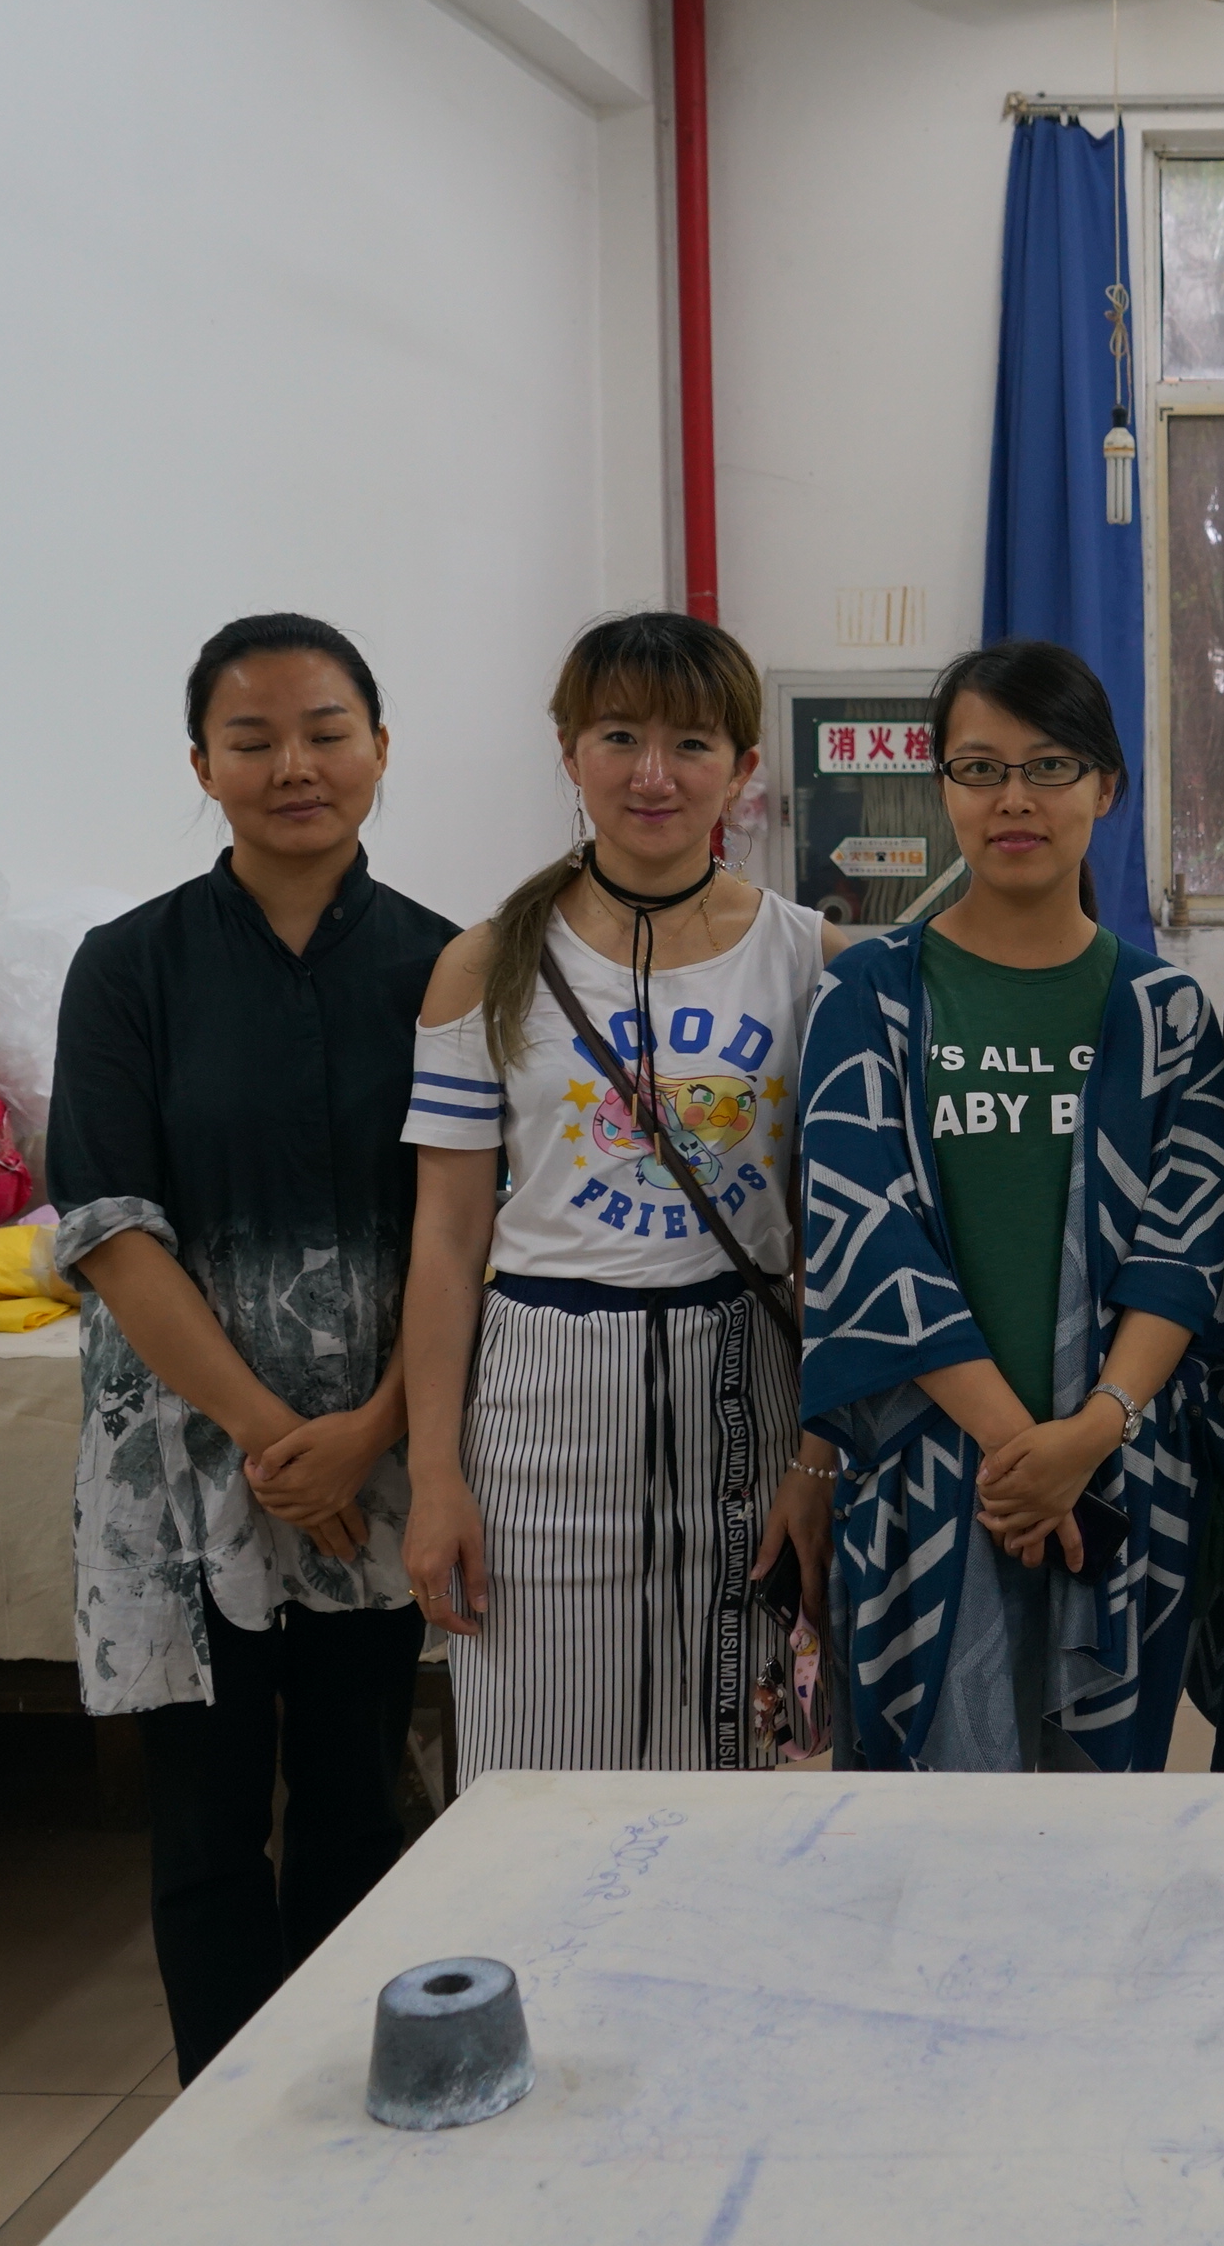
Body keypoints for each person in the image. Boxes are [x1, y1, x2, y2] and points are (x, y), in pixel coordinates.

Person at [52, 613, 451, 2083]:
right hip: (190, 1466)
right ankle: (225, 2128)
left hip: (378, 1463)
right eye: (253, 739)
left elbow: (466, 1234)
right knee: (208, 1827)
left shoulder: (447, 966)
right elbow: (110, 1232)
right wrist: (280, 1440)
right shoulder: (128, 966)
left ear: (380, 748)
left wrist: (372, 1431)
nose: (295, 766)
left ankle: (353, 2107)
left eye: (326, 731)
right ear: (202, 766)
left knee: (357, 1803)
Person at [795, 640, 1224, 1771]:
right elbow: (865, 1240)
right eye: (980, 768)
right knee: (928, 1828)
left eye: (1051, 766)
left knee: (1106, 1820)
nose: (1015, 798)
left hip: (1124, 1475)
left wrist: (1090, 1434)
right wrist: (1029, 1457)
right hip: (928, 1474)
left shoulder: (1166, 1014)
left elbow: (1186, 1249)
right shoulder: (869, 995)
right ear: (943, 786)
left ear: (1107, 786)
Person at [394, 612, 835, 1778]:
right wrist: (434, 1477)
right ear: (570, 751)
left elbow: (830, 1243)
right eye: (620, 736)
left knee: (735, 1760)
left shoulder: (811, 959)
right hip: (543, 1405)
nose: (653, 774)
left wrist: (817, 1458)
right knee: (537, 1767)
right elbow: (446, 1239)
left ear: (743, 767)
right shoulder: (484, 964)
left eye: (692, 743)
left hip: (745, 1393)